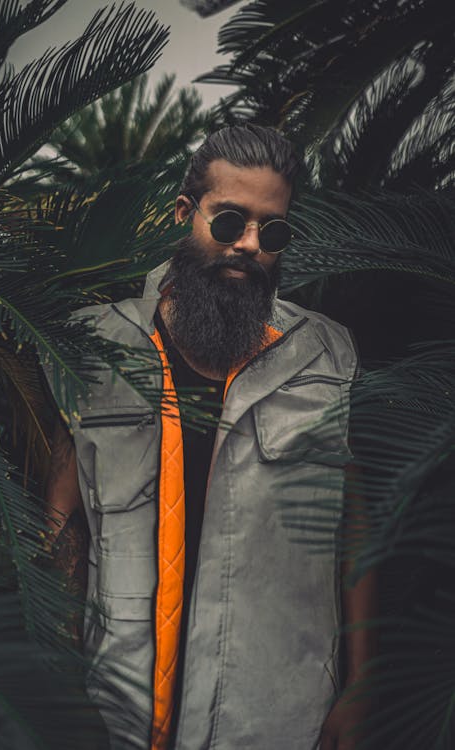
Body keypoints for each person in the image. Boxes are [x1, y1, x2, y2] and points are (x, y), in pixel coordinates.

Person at [43, 125, 376, 750]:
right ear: (184, 214)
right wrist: (58, 684)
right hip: (114, 717)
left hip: (274, 716)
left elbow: (355, 528)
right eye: (229, 223)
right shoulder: (93, 348)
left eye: (271, 231)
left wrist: (364, 681)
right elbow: (62, 525)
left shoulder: (328, 356)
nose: (250, 245)